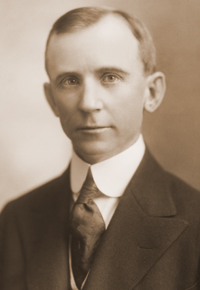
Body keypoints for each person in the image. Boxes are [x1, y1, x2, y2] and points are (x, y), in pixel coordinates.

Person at [0, 6, 200, 290]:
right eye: (70, 81)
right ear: (51, 100)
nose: (88, 103)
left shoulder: (195, 221)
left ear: (152, 92)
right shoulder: (17, 219)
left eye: (110, 77)